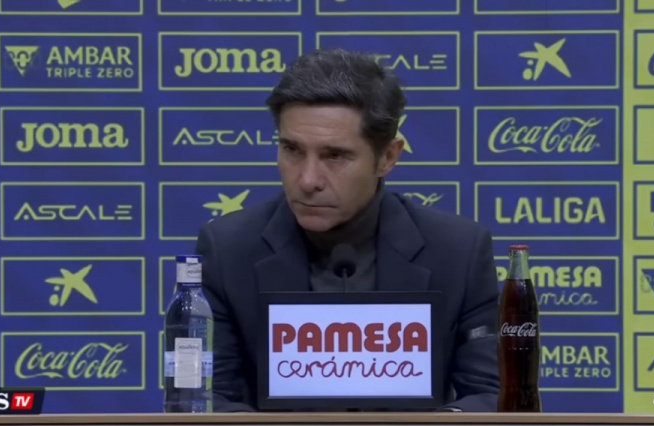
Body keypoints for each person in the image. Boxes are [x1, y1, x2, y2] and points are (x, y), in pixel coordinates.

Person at [194, 48, 500, 413]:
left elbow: (490, 395)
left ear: (387, 157)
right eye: (292, 149)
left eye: (335, 156)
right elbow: (205, 399)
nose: (308, 180)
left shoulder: (458, 252)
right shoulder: (228, 250)